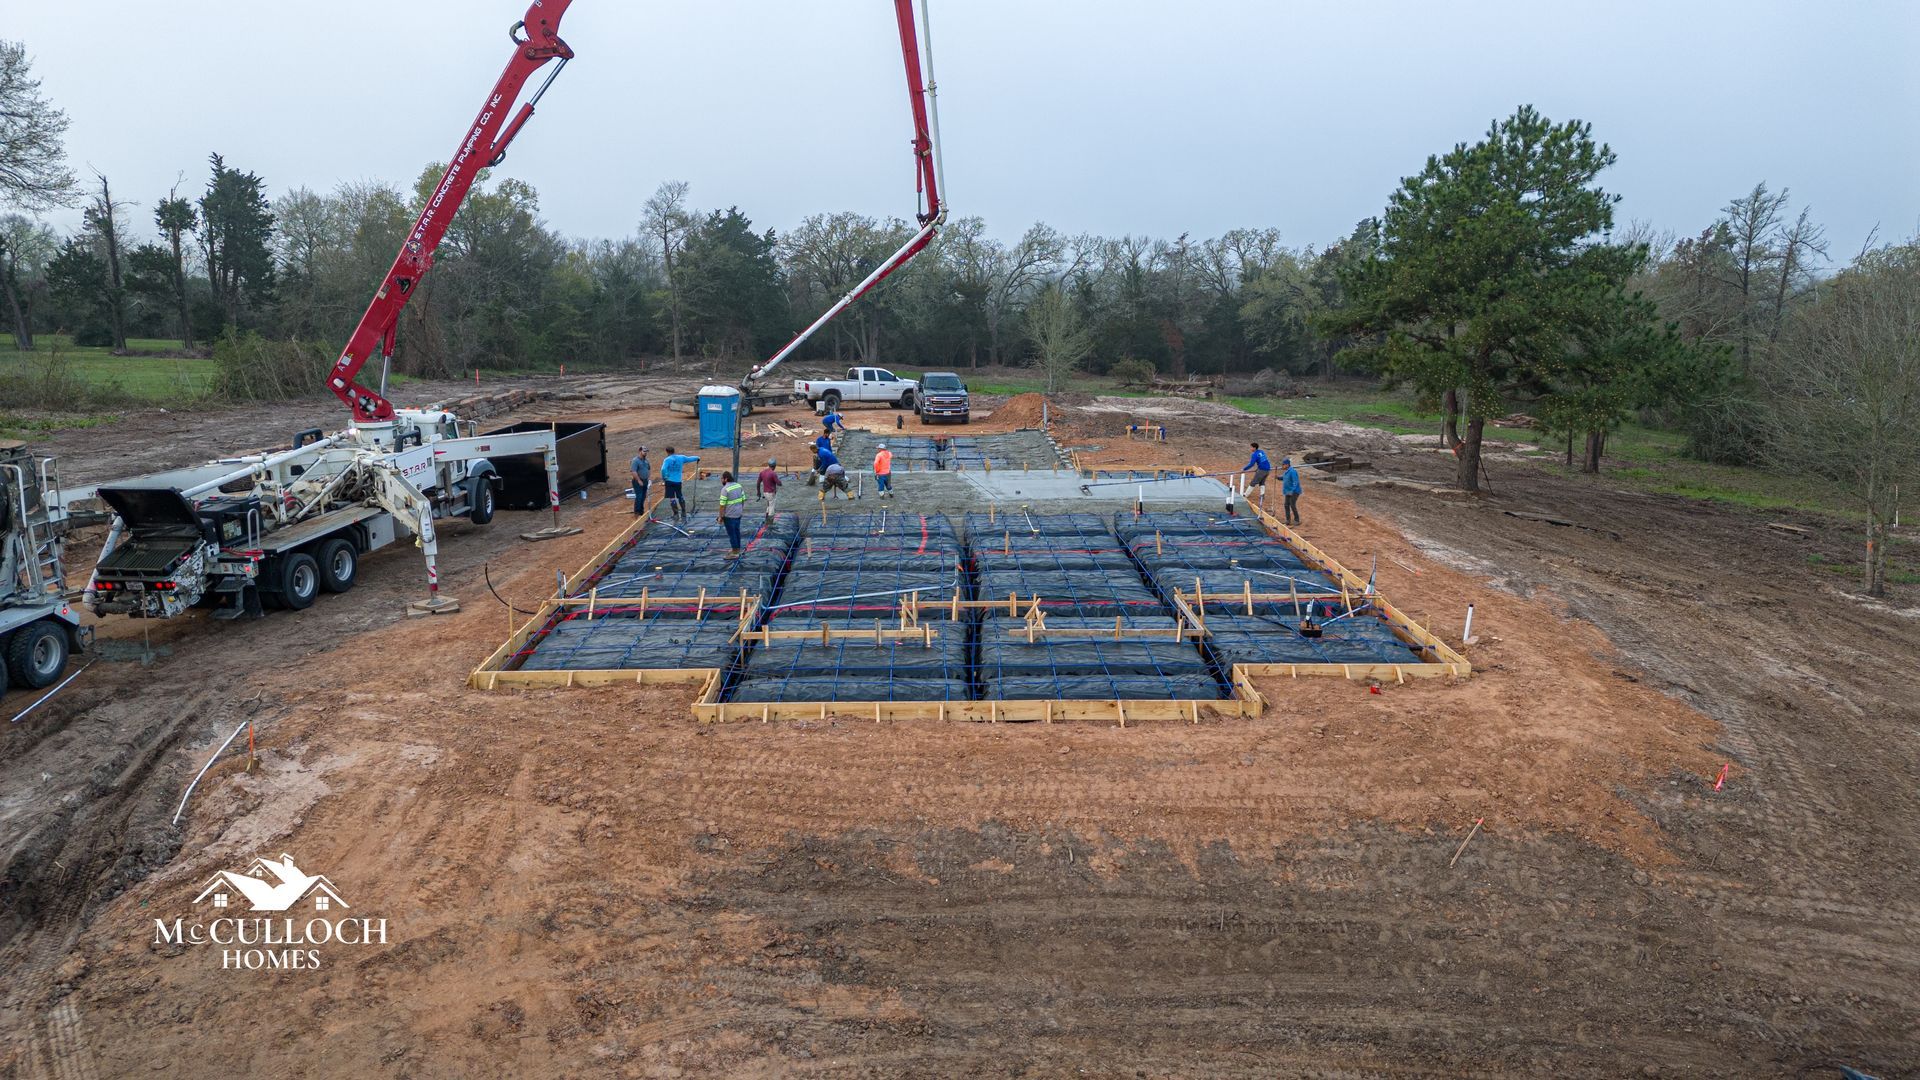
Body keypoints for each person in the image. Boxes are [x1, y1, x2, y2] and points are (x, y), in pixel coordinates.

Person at [659, 446, 699, 520]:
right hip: (678, 481)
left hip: (669, 481)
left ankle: (676, 514)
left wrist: (664, 477)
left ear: (667, 452)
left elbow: (663, 469)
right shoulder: (681, 457)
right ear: (674, 451)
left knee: (672, 497)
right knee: (680, 495)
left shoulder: (667, 460)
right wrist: (697, 457)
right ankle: (683, 511)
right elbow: (690, 458)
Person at [716, 471, 747, 559]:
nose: (721, 480)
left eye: (722, 479)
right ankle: (737, 549)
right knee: (737, 531)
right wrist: (740, 510)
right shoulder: (738, 485)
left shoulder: (725, 489)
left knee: (732, 533)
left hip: (729, 516)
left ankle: (735, 553)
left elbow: (722, 505)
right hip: (738, 513)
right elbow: (743, 499)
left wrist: (721, 517)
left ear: (726, 479)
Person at [1281, 457, 1303, 525]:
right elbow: (1284, 477)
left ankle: (1297, 520)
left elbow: (1295, 482)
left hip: (1294, 491)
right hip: (1288, 491)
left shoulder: (1292, 471)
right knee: (1286, 505)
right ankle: (1288, 520)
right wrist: (1278, 477)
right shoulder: (1286, 472)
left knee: (1292, 505)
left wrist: (1292, 491)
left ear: (1287, 465)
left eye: (1283, 465)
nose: (1282, 466)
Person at [629, 446, 650, 516]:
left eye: (646, 451)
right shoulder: (635, 460)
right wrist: (639, 480)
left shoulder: (646, 460)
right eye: (644, 451)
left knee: (643, 496)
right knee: (639, 496)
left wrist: (648, 478)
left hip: (645, 481)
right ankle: (637, 512)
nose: (645, 453)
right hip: (638, 481)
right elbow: (633, 471)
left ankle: (641, 511)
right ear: (640, 451)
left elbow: (648, 469)